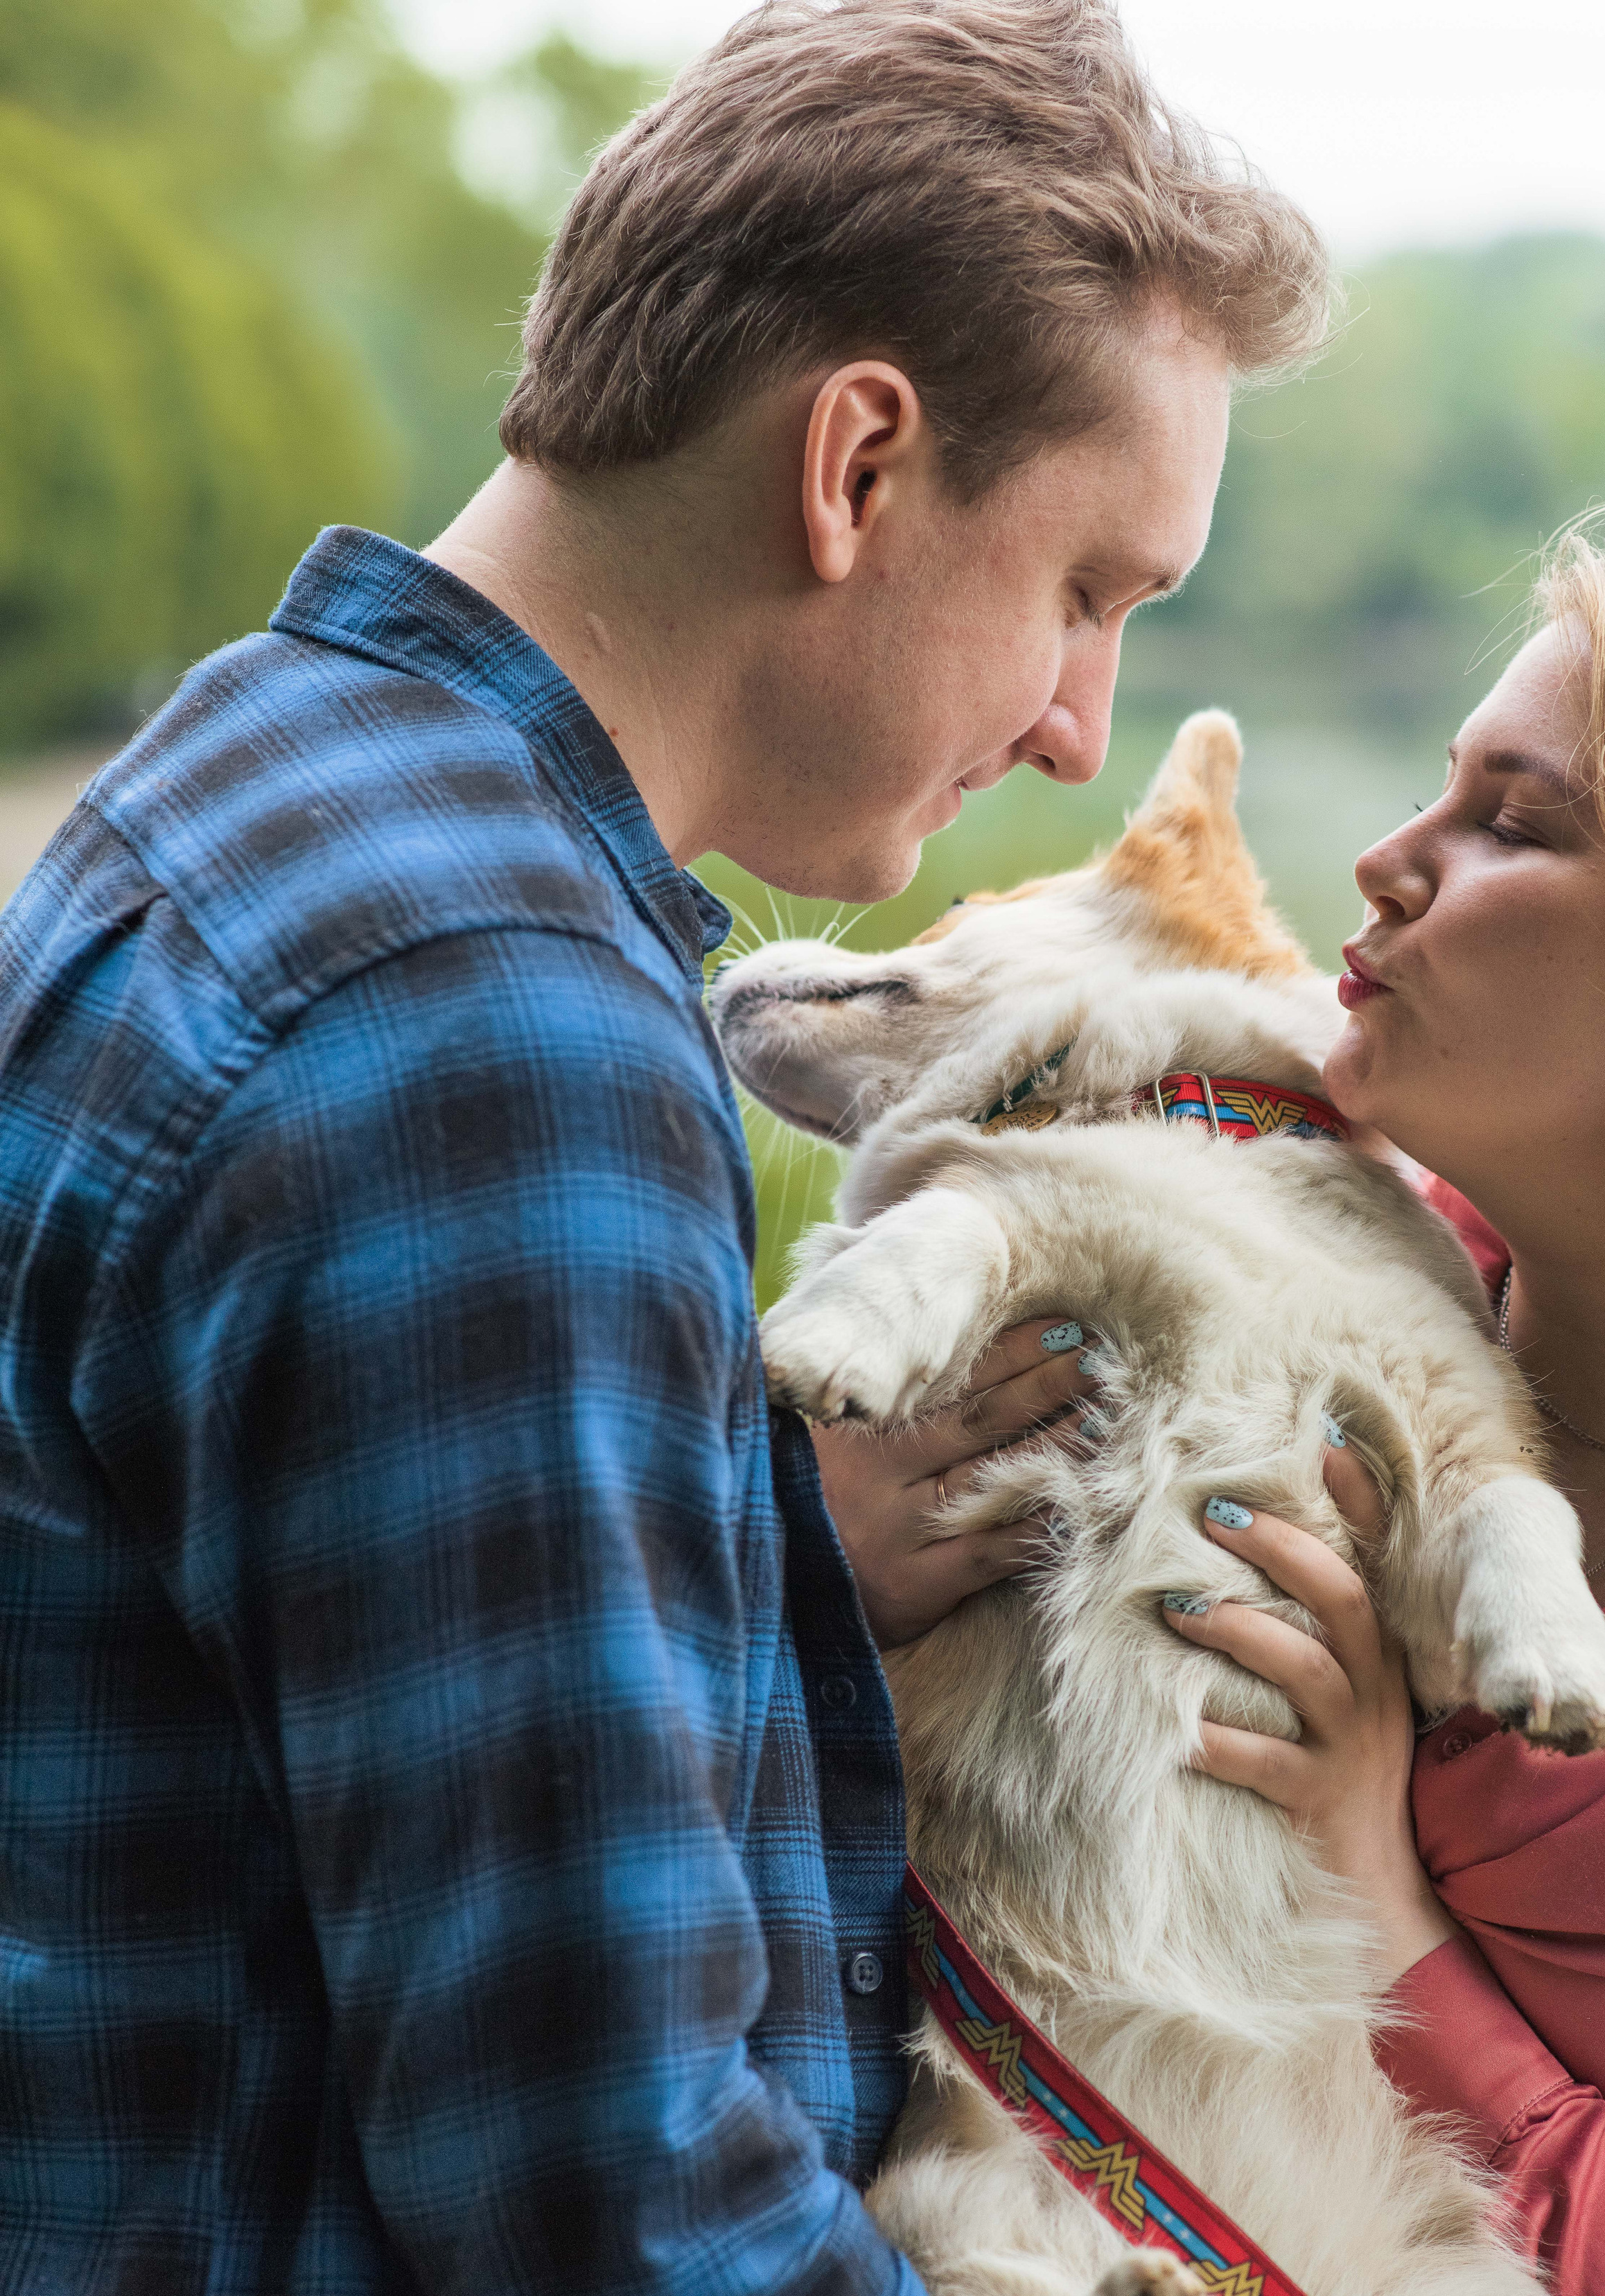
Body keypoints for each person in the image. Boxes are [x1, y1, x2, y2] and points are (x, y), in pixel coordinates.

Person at [0, 1, 1329, 2288]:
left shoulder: (249, 783)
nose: (1077, 725)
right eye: (1089, 591)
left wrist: (743, 1549)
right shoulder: (480, 1031)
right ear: (861, 466)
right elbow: (605, 2201)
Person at [1140, 525, 1605, 2295]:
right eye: (1438, 788)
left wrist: (1378, 1897)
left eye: (1512, 821)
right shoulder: (1262, 1287)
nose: (1382, 860)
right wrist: (848, 1539)